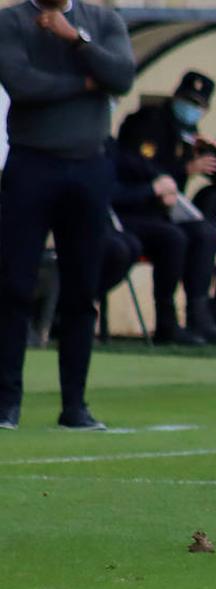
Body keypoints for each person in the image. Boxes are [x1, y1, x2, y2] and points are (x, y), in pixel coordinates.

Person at [0, 0, 134, 430]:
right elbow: (22, 84)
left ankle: (74, 405)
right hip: (32, 164)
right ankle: (6, 403)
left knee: (81, 289)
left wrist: (75, 40)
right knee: (14, 285)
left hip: (89, 165)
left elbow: (122, 77)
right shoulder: (10, 21)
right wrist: (86, 83)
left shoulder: (103, 21)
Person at [117, 70, 216, 343]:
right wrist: (185, 168)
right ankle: (169, 321)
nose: (191, 109)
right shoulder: (148, 122)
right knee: (179, 237)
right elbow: (137, 167)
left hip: (167, 212)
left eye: (198, 105)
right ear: (176, 97)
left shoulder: (190, 134)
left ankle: (209, 314)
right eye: (188, 101)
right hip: (138, 207)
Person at [108, 136, 206, 345]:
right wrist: (152, 190)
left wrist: (166, 182)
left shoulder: (112, 145)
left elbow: (145, 167)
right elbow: (109, 193)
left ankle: (181, 320)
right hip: (112, 221)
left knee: (192, 235)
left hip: (143, 218)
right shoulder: (94, 146)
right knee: (169, 237)